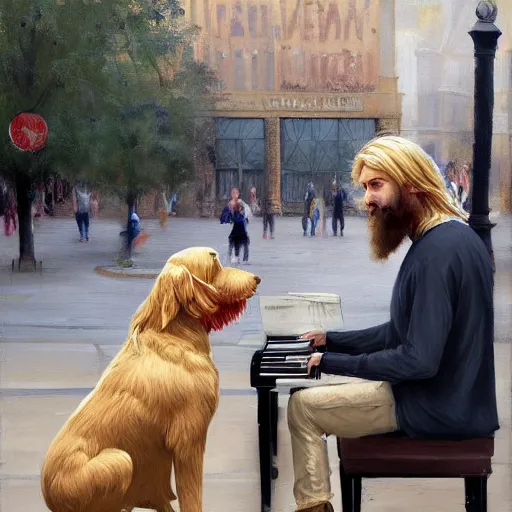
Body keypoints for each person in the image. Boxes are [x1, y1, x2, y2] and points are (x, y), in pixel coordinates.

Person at [287, 136, 498, 512]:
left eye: (376, 185)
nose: (366, 199)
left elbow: (418, 361)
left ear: (411, 183)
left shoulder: (436, 253)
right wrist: (330, 342)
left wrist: (335, 364)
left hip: (431, 407)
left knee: (302, 407)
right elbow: (398, 333)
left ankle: (313, 507)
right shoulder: (450, 239)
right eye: (365, 187)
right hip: (453, 400)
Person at [220, 187, 250, 264]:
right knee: (233, 240)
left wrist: (243, 214)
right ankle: (232, 257)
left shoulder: (241, 202)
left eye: (236, 193)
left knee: (243, 241)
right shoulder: (230, 204)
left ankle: (244, 259)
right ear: (231, 194)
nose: (234, 194)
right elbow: (225, 215)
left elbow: (246, 212)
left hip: (241, 225)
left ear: (238, 194)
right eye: (233, 193)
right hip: (236, 225)